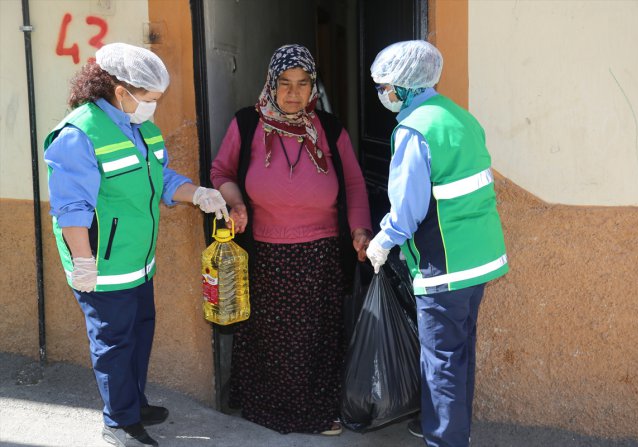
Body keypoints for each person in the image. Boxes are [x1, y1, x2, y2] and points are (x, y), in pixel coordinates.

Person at [44, 43, 229, 447]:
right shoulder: (78, 133)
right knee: (113, 343)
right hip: (103, 265)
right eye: (148, 99)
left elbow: (160, 178)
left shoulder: (142, 128)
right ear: (119, 88)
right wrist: (83, 262)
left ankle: (134, 403)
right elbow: (70, 207)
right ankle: (119, 423)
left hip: (138, 262)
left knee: (140, 333)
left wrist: (198, 193)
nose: (152, 108)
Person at [210, 44, 372, 435]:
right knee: (269, 340)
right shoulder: (247, 123)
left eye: (302, 83)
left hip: (320, 252)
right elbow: (221, 171)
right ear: (271, 83)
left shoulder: (328, 129)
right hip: (265, 250)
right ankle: (267, 409)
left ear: (312, 86)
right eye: (284, 83)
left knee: (316, 340)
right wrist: (235, 202)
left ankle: (316, 413)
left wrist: (360, 229)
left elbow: (352, 181)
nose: (293, 92)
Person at [365, 40, 509, 447]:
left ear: (406, 86)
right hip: (480, 259)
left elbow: (407, 211)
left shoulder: (413, 130)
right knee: (459, 355)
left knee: (441, 364)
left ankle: (445, 441)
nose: (383, 94)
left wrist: (383, 241)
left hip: (446, 266)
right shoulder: (461, 117)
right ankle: (456, 435)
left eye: (386, 86)